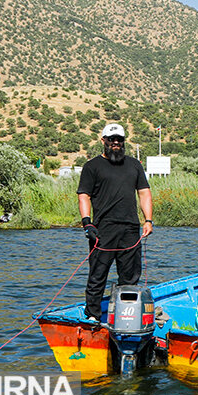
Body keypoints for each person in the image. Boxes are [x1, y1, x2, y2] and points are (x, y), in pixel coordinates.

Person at [77, 123, 154, 321]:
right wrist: (87, 223)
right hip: (102, 230)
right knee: (97, 275)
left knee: (129, 277)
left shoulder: (134, 165)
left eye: (119, 139)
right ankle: (93, 316)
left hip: (130, 229)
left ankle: (125, 316)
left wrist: (148, 220)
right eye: (112, 140)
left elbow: (144, 192)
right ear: (103, 141)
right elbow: (83, 196)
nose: (116, 143)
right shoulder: (92, 166)